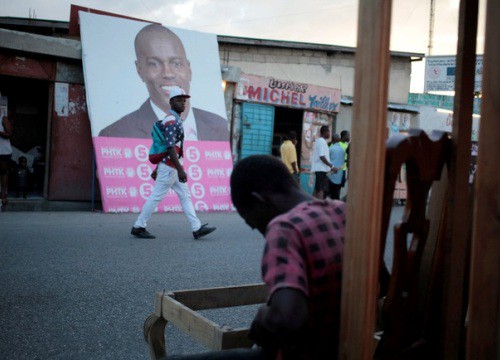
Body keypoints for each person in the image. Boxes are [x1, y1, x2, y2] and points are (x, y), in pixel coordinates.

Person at [163, 155, 345, 359]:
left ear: (259, 203)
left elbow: (288, 318)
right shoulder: (342, 211)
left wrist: (266, 316)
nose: (256, 229)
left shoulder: (285, 229)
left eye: (251, 222)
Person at [99, 24, 229, 141]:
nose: (168, 73)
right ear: (140, 70)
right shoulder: (115, 134)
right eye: (154, 64)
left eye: (176, 63)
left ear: (189, 69)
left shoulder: (219, 126)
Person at [130, 88, 216, 240]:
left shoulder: (175, 119)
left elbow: (167, 147)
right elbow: (169, 147)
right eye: (178, 100)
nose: (182, 103)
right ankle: (138, 226)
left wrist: (160, 167)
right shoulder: (171, 120)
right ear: (171, 102)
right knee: (156, 196)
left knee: (185, 196)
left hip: (170, 167)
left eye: (184, 100)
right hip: (171, 167)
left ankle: (196, 228)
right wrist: (180, 169)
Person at [311, 125, 337, 199]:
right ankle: (318, 205)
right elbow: (322, 156)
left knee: (318, 189)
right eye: (329, 132)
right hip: (320, 170)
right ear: (325, 132)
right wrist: (332, 166)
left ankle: (311, 203)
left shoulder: (320, 141)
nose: (329, 134)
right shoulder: (322, 142)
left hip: (321, 170)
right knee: (320, 190)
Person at [326, 133, 345, 200]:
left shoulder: (330, 149)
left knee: (328, 195)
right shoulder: (343, 150)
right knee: (336, 195)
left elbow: (326, 161)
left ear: (333, 139)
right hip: (339, 176)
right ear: (338, 139)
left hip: (330, 175)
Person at [0, 111, 12, 210]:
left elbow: (9, 134)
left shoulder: (3, 118)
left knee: (3, 173)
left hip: (3, 151)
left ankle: (3, 195)